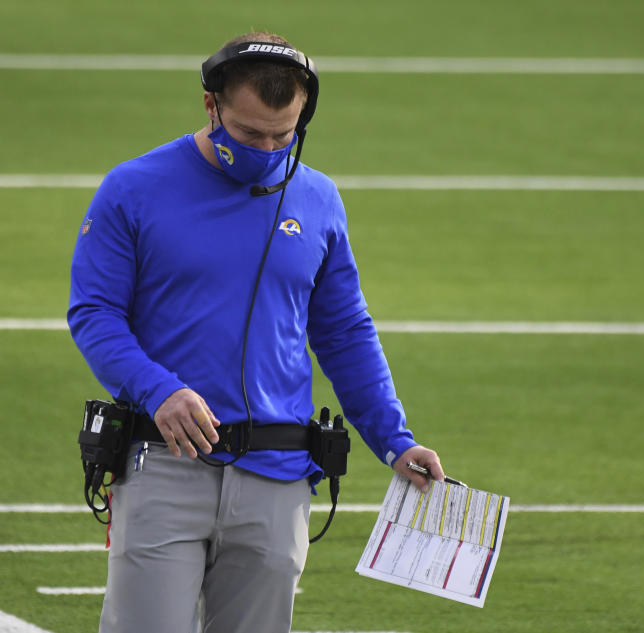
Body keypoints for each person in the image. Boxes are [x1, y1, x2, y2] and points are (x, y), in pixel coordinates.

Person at [68, 31, 446, 633]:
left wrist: (395, 440)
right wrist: (158, 389)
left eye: (284, 135)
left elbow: (345, 330)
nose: (268, 150)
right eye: (250, 134)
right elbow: (94, 313)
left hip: (279, 474)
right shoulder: (133, 188)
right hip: (165, 465)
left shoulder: (318, 199)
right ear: (211, 106)